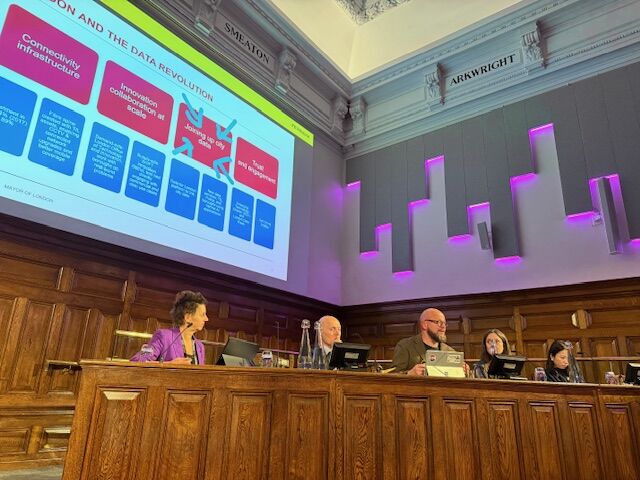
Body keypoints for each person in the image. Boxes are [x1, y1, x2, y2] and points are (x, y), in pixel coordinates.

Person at [131, 290, 208, 364]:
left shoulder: (200, 346)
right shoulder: (162, 336)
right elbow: (138, 360)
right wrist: (170, 364)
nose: (206, 319)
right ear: (188, 317)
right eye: (203, 315)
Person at [391, 308, 467, 376]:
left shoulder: (450, 351)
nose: (443, 327)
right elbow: (392, 376)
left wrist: (465, 372)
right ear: (425, 325)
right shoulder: (405, 346)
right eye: (438, 322)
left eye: (444, 323)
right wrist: (409, 374)